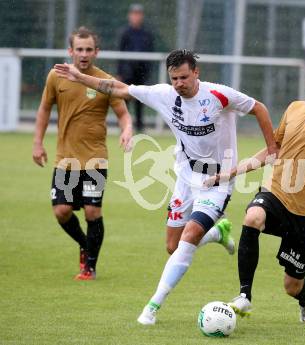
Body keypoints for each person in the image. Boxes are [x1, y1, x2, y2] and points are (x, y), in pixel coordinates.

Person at [53, 49, 278, 325]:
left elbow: (259, 108)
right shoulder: (165, 95)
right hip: (185, 179)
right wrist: (80, 77)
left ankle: (152, 307)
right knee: (173, 245)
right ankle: (218, 233)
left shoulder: (219, 95)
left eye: (184, 77)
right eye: (174, 79)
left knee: (189, 236)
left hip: (216, 183)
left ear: (196, 72)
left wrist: (272, 148)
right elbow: (118, 89)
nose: (179, 83)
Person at [207, 56, 305, 324]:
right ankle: (244, 296)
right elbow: (273, 150)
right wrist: (229, 173)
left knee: (291, 285)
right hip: (276, 192)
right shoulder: (294, 108)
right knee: (253, 217)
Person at [32, 27, 133, 281]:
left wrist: (127, 130)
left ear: (96, 52)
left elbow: (123, 113)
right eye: (79, 49)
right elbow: (44, 109)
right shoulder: (56, 77)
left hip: (95, 160)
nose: (84, 54)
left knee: (92, 212)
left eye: (89, 49)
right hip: (65, 160)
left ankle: (89, 266)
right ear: (71, 51)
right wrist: (37, 143)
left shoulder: (103, 81)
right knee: (61, 211)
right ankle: (85, 244)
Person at [117, 3, 154, 132]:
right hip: (127, 72)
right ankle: (124, 126)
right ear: (130, 16)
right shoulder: (125, 33)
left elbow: (150, 53)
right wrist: (120, 72)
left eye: (138, 14)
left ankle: (139, 127)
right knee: (125, 99)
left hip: (141, 72)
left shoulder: (147, 34)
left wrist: (148, 73)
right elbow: (120, 53)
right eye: (134, 14)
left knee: (140, 100)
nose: (136, 17)